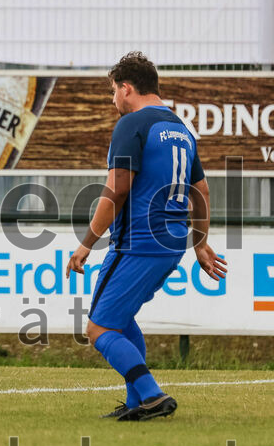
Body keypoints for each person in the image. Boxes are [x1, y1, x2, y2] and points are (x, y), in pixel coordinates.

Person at [66, 52, 227, 421]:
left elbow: (115, 192)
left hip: (138, 241)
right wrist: (199, 243)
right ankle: (137, 402)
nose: (112, 101)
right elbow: (200, 189)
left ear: (126, 88)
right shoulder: (181, 129)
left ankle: (152, 395)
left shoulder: (132, 124)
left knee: (99, 328)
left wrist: (85, 244)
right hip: (171, 243)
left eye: (113, 92)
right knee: (120, 318)